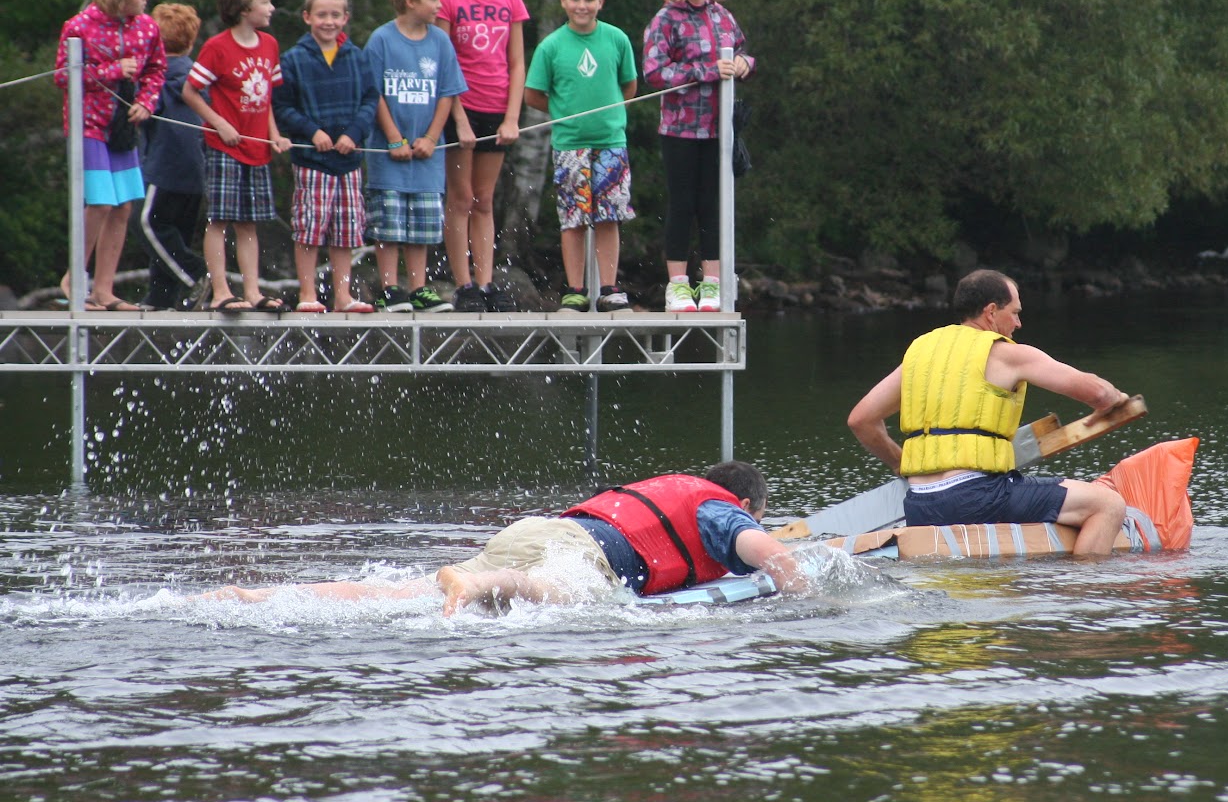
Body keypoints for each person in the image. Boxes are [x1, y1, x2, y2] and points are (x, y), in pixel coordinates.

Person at [204, 461, 808, 614]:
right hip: (579, 554)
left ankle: (259, 598)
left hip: (542, 528)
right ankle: (474, 583)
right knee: (558, 593)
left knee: (409, 592)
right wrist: (816, 601)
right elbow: (772, 555)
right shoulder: (725, 512)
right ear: (749, 503)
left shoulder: (679, 490)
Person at [846, 268, 1133, 555]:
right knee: (1107, 505)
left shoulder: (919, 354)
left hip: (920, 504)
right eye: (1015, 312)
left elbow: (861, 420)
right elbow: (1096, 392)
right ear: (991, 312)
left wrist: (900, 464)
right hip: (977, 497)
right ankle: (1083, 589)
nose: (1019, 323)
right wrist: (1113, 398)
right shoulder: (1006, 354)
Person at [641, 0, 753, 313]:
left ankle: (711, 283)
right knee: (683, 204)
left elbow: (742, 51)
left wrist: (743, 65)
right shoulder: (666, 19)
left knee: (712, 204)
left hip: (718, 131)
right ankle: (677, 285)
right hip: (680, 130)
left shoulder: (723, 16)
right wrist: (706, 71)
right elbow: (655, 72)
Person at [53, 0, 167, 311]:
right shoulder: (79, 26)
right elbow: (63, 75)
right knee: (100, 201)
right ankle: (75, 277)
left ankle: (104, 289)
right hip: (89, 126)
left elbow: (156, 69)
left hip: (123, 128)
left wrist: (147, 102)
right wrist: (112, 69)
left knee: (123, 206)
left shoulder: (147, 27)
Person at [525, 0, 639, 312]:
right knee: (573, 218)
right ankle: (575, 289)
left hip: (610, 142)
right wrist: (563, 112)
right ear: (563, 1)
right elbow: (533, 95)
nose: (582, 5)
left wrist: (609, 115)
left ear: (601, 2)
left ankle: (609, 287)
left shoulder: (617, 38)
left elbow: (629, 86)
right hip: (570, 144)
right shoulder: (552, 46)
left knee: (608, 216)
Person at [182, 0, 293, 314]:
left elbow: (267, 98)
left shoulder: (270, 45)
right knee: (219, 219)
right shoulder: (217, 47)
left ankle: (253, 291)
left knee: (250, 222)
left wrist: (274, 134)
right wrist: (218, 122)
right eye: (265, 1)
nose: (271, 8)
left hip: (257, 149)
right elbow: (189, 91)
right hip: (224, 148)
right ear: (245, 8)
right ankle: (219, 291)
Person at [436, 0, 529, 312]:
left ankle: (488, 283)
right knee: (460, 198)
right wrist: (457, 118)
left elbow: (517, 62)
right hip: (462, 105)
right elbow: (443, 60)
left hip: (496, 106)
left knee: (485, 199)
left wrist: (512, 117)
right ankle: (464, 285)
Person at [363, 0, 468, 312]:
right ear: (410, 1)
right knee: (389, 223)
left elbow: (447, 92)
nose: (440, 5)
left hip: (427, 155)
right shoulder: (381, 39)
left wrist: (432, 137)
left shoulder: (440, 41)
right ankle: (390, 288)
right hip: (388, 155)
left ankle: (420, 288)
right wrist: (393, 137)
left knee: (422, 225)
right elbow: (373, 91)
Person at [273, 0, 380, 313]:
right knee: (309, 227)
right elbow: (281, 105)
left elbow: (370, 98)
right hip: (311, 159)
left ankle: (343, 296)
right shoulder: (292, 59)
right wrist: (312, 131)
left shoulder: (357, 57)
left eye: (336, 15)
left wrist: (356, 133)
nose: (329, 21)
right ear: (307, 17)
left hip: (348, 160)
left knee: (346, 230)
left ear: (346, 18)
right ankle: (308, 294)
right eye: (321, 15)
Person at [138, 3, 208, 310]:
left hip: (165, 167)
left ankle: (196, 275)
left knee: (148, 224)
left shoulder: (157, 79)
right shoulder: (199, 78)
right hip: (196, 172)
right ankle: (161, 296)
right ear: (191, 41)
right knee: (175, 231)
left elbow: (142, 111)